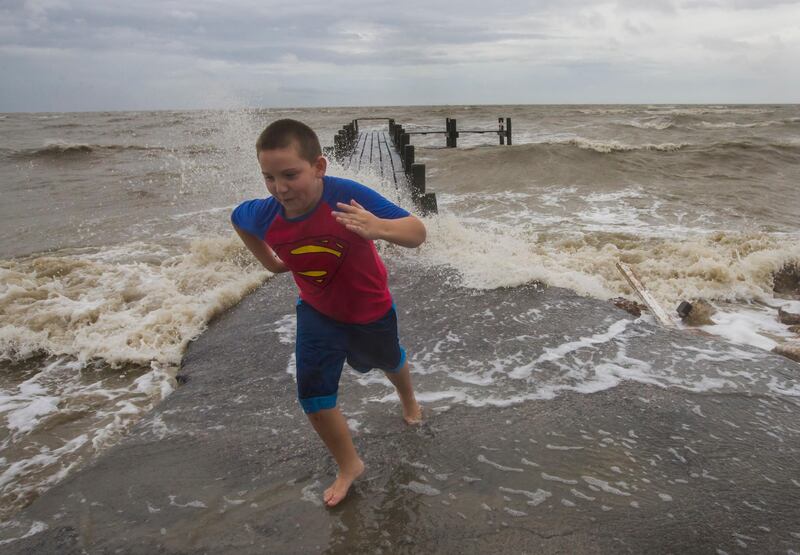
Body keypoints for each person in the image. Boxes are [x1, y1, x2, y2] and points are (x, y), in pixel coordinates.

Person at [231, 119, 425, 507]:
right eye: (269, 177)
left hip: (370, 309)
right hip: (317, 312)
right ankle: (349, 465)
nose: (280, 188)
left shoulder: (344, 197)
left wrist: (379, 228)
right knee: (314, 392)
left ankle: (409, 400)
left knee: (389, 359)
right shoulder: (265, 213)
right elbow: (239, 218)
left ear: (318, 167)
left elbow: (416, 232)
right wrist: (270, 264)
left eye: (290, 175)